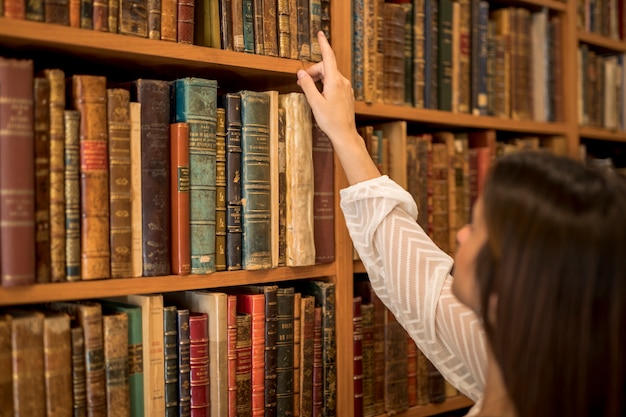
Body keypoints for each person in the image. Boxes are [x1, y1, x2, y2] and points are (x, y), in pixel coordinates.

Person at [297, 30, 626, 417]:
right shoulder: (518, 356)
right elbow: (420, 284)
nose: (461, 234)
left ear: (518, 279)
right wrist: (346, 135)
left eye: (479, 228)